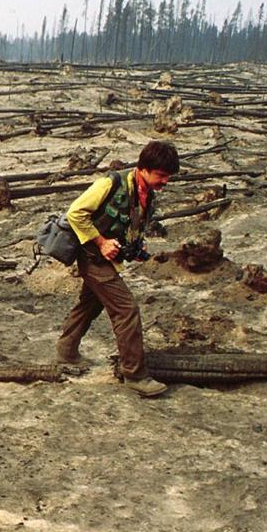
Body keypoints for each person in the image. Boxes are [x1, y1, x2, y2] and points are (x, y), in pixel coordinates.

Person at [55, 140, 179, 397]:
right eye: (161, 175)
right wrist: (101, 242)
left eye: (169, 177)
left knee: (90, 303)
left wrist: (135, 247)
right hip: (93, 257)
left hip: (106, 259)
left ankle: (66, 351)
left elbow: (131, 222)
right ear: (144, 168)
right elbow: (75, 213)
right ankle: (135, 374)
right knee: (126, 310)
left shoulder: (144, 192)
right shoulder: (110, 184)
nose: (165, 181)